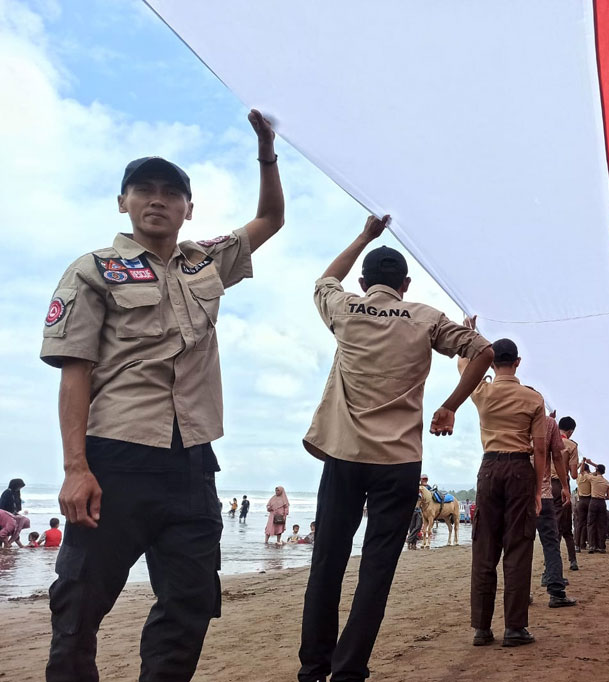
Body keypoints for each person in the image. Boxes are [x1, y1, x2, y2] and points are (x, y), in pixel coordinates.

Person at [39, 110, 283, 682]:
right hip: (116, 456)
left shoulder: (205, 260)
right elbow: (74, 371)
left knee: (192, 602)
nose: (158, 200)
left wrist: (266, 151)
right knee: (79, 604)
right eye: (144, 189)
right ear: (122, 201)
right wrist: (76, 467)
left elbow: (270, 218)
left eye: (172, 192)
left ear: (188, 207)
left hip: (193, 463)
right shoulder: (95, 269)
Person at [297, 218, 492, 682]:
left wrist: (364, 235)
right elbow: (482, 349)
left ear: (364, 283)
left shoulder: (346, 307)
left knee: (328, 560)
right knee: (377, 569)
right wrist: (449, 407)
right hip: (400, 463)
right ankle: (349, 671)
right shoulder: (425, 317)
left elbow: (325, 279)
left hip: (344, 456)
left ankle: (313, 669)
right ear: (406, 285)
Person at [460, 334, 547, 648]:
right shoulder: (533, 399)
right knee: (518, 548)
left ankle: (482, 629)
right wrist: (538, 491)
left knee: (484, 548)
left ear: (492, 362)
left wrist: (469, 332)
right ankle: (514, 628)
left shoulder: (481, 390)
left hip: (489, 468)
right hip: (520, 469)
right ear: (518, 362)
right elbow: (539, 450)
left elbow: (463, 362)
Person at [536, 413, 577, 607]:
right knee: (555, 536)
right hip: (551, 489)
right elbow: (572, 471)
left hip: (522, 489)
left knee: (519, 544)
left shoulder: (516, 423)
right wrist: (566, 487)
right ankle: (555, 585)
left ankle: (520, 592)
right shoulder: (570, 445)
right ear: (570, 431)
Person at [552, 416, 580, 571]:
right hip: (562, 486)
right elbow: (574, 474)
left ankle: (550, 559)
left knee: (551, 525)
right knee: (565, 526)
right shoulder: (571, 445)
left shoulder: (547, 440)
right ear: (570, 431)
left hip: (545, 486)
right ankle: (572, 560)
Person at [586, 462, 609, 553]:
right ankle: (601, 546)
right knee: (601, 525)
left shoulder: (593, 479)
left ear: (596, 470)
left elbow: (583, 473)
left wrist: (590, 463)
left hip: (593, 501)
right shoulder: (607, 483)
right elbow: (608, 497)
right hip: (602, 503)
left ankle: (592, 545)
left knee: (591, 524)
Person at [574, 461, 593, 551]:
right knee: (588, 523)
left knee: (579, 524)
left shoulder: (578, 477)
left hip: (580, 501)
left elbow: (574, 471)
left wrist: (581, 463)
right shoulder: (590, 477)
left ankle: (577, 545)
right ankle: (583, 543)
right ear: (588, 469)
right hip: (589, 500)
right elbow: (599, 472)